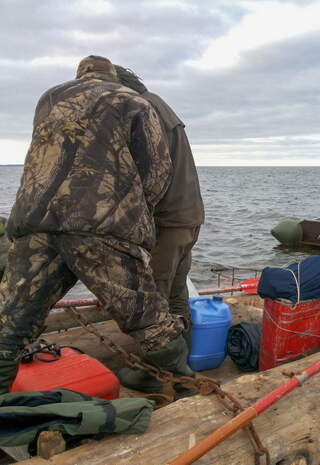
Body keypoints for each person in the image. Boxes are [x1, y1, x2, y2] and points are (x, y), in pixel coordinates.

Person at [0, 56, 192, 395]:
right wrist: (130, 212)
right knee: (147, 319)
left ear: (80, 76)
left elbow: (40, 160)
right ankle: (189, 388)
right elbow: (156, 171)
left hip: (35, 222)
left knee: (12, 324)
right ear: (113, 76)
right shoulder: (132, 101)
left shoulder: (48, 99)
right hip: (100, 225)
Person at [113, 65, 205, 393]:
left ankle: (155, 374)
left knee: (156, 299)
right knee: (177, 293)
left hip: (168, 221)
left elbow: (145, 174)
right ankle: (185, 362)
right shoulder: (162, 105)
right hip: (188, 215)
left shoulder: (142, 110)